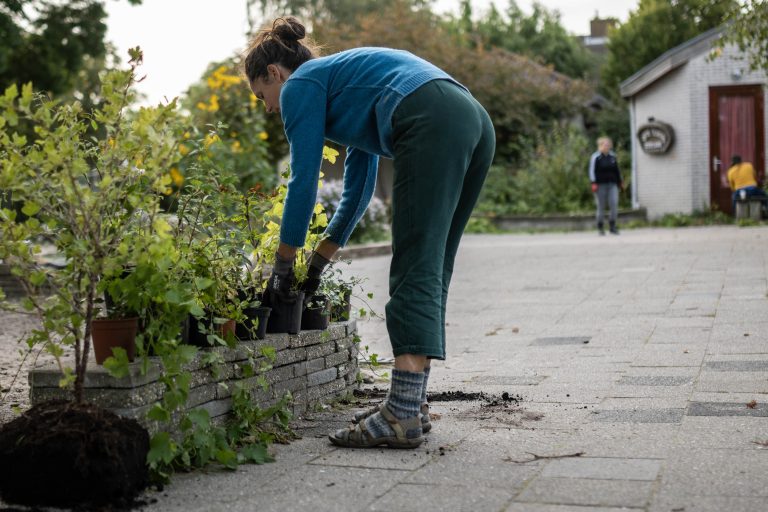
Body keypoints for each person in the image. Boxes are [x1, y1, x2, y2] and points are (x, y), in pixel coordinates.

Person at [243, 18, 495, 449]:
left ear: (274, 74)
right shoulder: (344, 82)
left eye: (262, 95)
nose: (267, 107)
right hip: (470, 116)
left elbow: (303, 181)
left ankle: (399, 414)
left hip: (430, 115)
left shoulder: (302, 83)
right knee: (432, 262)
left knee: (415, 262)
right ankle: (411, 403)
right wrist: (318, 263)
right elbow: (357, 191)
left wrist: (283, 267)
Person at [588, 137, 623, 235]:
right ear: (600, 145)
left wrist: (620, 181)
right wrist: (593, 182)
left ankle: (612, 226)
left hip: (612, 184)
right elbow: (591, 171)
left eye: (609, 144)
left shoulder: (613, 156)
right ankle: (600, 227)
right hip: (600, 185)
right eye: (605, 144)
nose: (607, 146)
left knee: (614, 204)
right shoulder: (595, 157)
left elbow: (617, 170)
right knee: (601, 206)